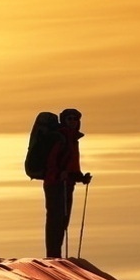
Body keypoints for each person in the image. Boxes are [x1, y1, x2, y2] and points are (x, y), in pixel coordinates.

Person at [43, 108, 91, 257]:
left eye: (75, 119)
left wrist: (81, 177)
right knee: (56, 220)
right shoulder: (60, 138)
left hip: (67, 184)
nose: (72, 121)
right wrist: (59, 174)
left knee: (63, 220)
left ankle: (56, 255)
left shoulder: (72, 139)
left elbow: (70, 166)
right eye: (69, 118)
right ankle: (53, 255)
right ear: (64, 120)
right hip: (56, 184)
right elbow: (51, 162)